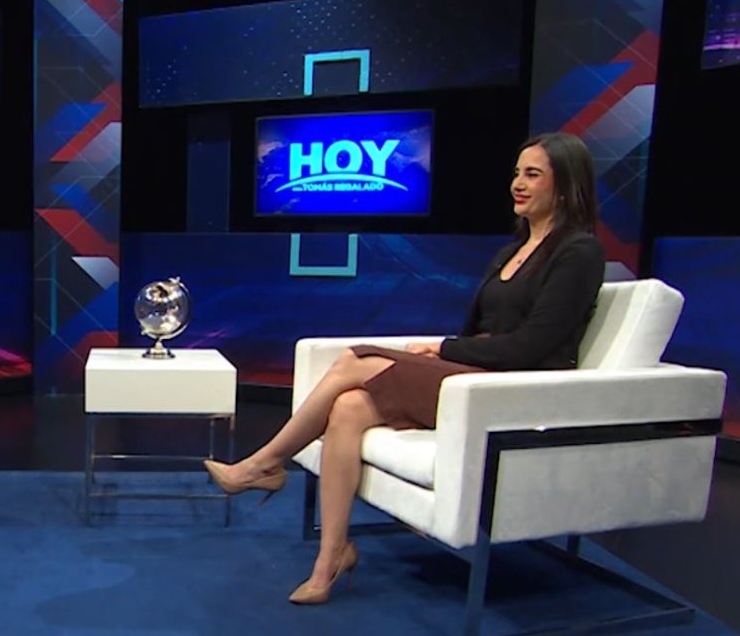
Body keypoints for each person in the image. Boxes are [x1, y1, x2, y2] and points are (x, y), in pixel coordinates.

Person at [204, 131, 607, 605]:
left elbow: (531, 347)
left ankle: (263, 464)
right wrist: (446, 354)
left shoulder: (578, 252)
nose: (518, 184)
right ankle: (331, 557)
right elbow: (479, 330)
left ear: (566, 186)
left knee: (354, 360)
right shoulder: (510, 252)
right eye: (517, 173)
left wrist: (445, 348)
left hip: (513, 389)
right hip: (475, 379)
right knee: (348, 407)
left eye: (533, 175)